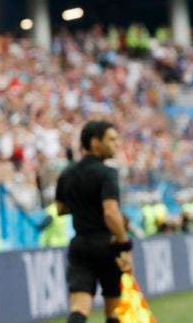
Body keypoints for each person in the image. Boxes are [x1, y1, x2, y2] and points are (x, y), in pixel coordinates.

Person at [56, 120, 133, 323]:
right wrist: (124, 242)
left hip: (80, 245)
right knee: (114, 311)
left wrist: (84, 205)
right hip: (106, 245)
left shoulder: (67, 173)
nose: (116, 143)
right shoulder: (107, 173)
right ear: (95, 142)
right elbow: (110, 213)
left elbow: (60, 209)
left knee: (79, 308)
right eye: (111, 139)